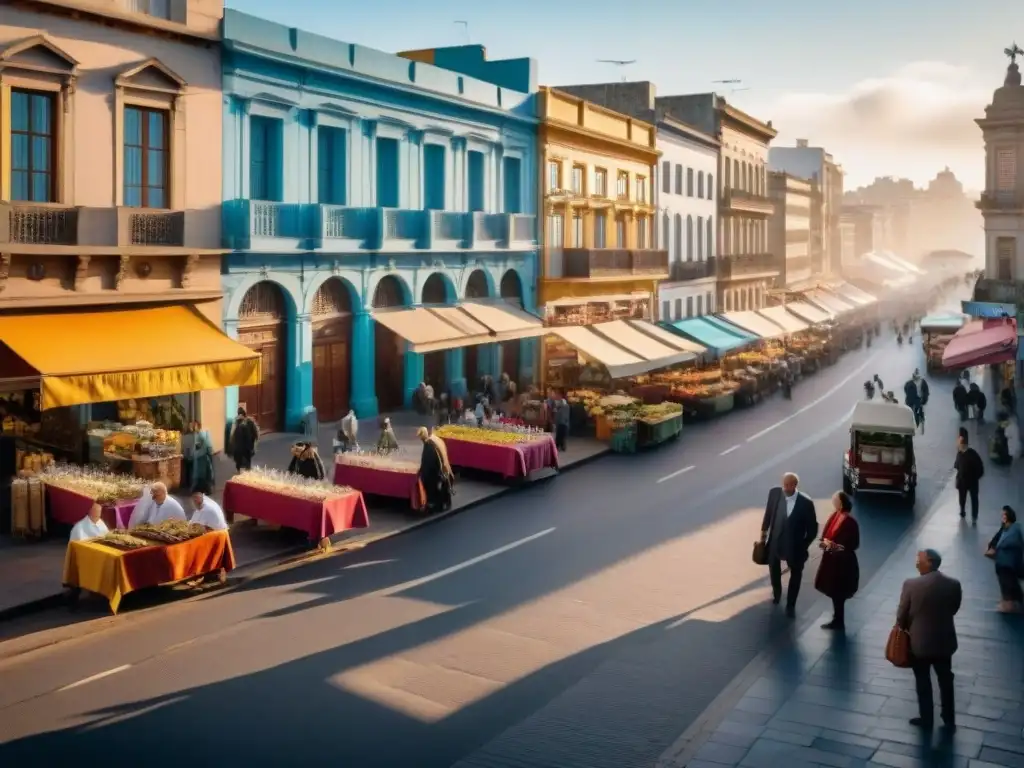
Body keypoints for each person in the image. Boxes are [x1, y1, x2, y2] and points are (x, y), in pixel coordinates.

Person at [896, 548, 962, 730]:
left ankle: (926, 718)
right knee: (946, 679)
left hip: (919, 643)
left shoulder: (910, 585)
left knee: (922, 679)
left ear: (930, 561)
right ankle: (949, 718)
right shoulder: (953, 584)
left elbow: (901, 615)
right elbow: (954, 608)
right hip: (945, 641)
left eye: (919, 559)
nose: (917, 562)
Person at [760, 472, 819, 618]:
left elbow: (812, 529)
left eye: (788, 485)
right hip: (775, 541)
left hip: (794, 546)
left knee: (796, 573)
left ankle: (791, 603)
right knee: (773, 568)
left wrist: (803, 545)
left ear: (794, 485)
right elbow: (768, 515)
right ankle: (777, 594)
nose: (785, 488)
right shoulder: (775, 494)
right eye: (783, 484)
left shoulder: (806, 503)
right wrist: (763, 535)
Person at [814, 490, 860, 631]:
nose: (833, 503)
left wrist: (837, 547)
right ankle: (837, 618)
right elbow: (826, 534)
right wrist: (824, 543)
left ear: (841, 503)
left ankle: (838, 621)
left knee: (839, 592)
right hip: (831, 561)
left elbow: (854, 543)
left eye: (835, 501)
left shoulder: (850, 522)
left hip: (843, 564)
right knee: (834, 592)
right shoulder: (835, 515)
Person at [986, 506, 1024, 612]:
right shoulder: (1005, 529)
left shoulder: (1014, 530)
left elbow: (1009, 542)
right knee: (1011, 583)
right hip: (1005, 563)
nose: (1002, 517)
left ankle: (1008, 605)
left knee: (1007, 584)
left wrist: (997, 547)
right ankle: (1015, 601)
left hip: (1007, 563)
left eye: (1004, 515)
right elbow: (995, 540)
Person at [417, 426, 454, 512]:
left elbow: (428, 466)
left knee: (429, 482)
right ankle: (444, 501)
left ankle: (435, 504)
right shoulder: (433, 442)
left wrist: (421, 474)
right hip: (443, 471)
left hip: (436, 475)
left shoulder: (428, 448)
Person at [953, 431, 984, 522]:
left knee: (974, 498)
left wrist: (975, 477)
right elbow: (956, 465)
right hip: (962, 482)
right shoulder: (959, 454)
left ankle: (974, 516)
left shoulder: (972, 455)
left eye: (959, 440)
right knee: (962, 498)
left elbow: (980, 469)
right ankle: (962, 511)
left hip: (972, 482)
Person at [229, 407, 259, 472]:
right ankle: (242, 471)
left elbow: (255, 434)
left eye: (240, 414)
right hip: (242, 447)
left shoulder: (248, 422)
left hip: (245, 447)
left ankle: (243, 471)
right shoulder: (237, 423)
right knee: (242, 461)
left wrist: (253, 445)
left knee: (244, 461)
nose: (239, 416)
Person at [189, 423, 215, 495]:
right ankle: (204, 489)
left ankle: (203, 489)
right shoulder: (198, 434)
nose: (191, 428)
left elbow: (200, 445)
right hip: (200, 456)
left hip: (201, 456)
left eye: (193, 426)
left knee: (201, 474)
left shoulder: (200, 434)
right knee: (202, 473)